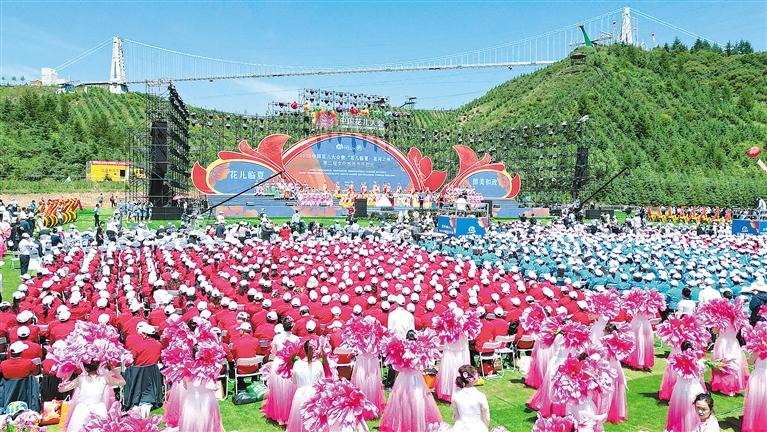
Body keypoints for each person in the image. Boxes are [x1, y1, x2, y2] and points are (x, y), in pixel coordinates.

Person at [58, 361, 126, 432]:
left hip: (81, 410)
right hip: (99, 410)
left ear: (84, 367)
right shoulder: (105, 378)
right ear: (98, 366)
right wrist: (113, 369)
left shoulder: (80, 379)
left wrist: (65, 380)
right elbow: (123, 382)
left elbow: (61, 390)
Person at [262, 317, 300, 425]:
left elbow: (274, 352)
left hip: (279, 363)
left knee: (279, 391)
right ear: (292, 326)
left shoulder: (277, 337)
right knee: (289, 391)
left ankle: (280, 417)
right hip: (289, 364)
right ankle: (287, 415)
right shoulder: (296, 339)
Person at [665, 342, 706, 432]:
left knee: (681, 410)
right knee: (692, 411)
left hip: (680, 389)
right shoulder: (699, 362)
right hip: (694, 389)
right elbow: (701, 373)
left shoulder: (677, 360)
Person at [286, 340, 324, 432]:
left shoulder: (297, 364)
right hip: (315, 394)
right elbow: (323, 381)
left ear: (304, 349)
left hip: (300, 394)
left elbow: (294, 381)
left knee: (300, 418)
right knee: (315, 418)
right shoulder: (318, 364)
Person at [451, 365, 490, 432]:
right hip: (477, 427)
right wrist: (485, 427)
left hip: (460, 428)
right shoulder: (480, 396)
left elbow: (456, 416)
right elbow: (487, 417)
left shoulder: (456, 396)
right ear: (472, 379)